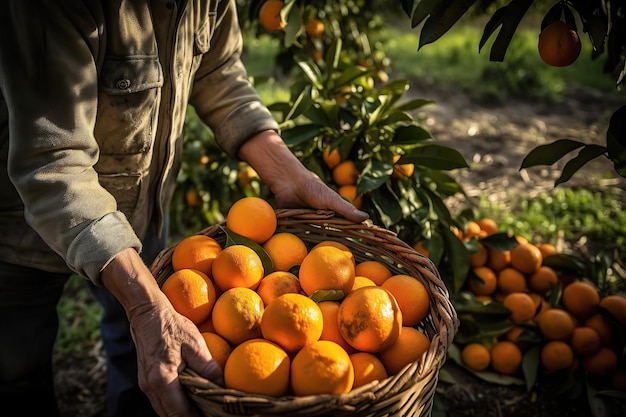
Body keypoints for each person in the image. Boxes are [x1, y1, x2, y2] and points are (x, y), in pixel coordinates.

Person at [0, 1, 369, 416]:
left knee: (142, 346)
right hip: (22, 225)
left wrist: (287, 174)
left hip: (136, 216)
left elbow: (220, 71)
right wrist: (144, 304)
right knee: (17, 367)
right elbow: (53, 159)